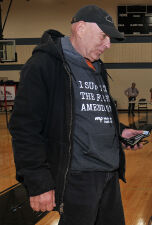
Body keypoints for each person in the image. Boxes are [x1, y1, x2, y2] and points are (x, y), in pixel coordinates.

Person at [9, 5, 143, 225]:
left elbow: (93, 112)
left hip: (108, 174)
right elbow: (24, 128)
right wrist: (38, 181)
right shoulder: (44, 65)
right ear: (81, 28)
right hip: (78, 177)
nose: (108, 44)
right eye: (103, 36)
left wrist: (121, 131)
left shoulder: (96, 67)